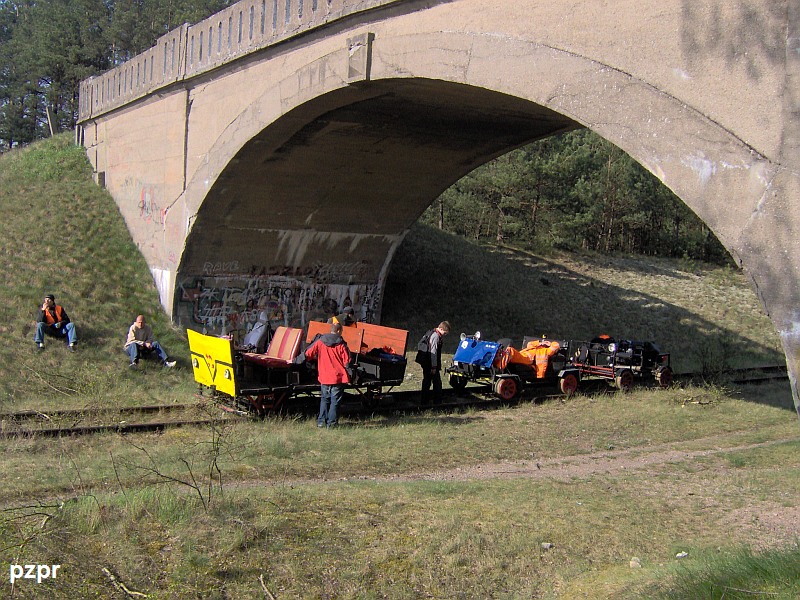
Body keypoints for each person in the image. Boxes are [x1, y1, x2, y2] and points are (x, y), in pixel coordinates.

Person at [304, 322, 352, 428]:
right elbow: (347, 361)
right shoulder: (341, 344)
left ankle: (321, 422)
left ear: (331, 329)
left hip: (324, 376)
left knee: (324, 399)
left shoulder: (320, 341)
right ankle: (332, 423)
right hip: (338, 377)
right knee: (335, 401)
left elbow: (308, 353)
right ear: (339, 331)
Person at [415, 321, 451, 404]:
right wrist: (434, 367)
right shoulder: (435, 336)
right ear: (441, 329)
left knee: (427, 382)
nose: (444, 335)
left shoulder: (431, 332)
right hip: (430, 364)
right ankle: (436, 402)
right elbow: (433, 352)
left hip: (426, 363)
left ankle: (425, 401)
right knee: (436, 383)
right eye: (444, 333)